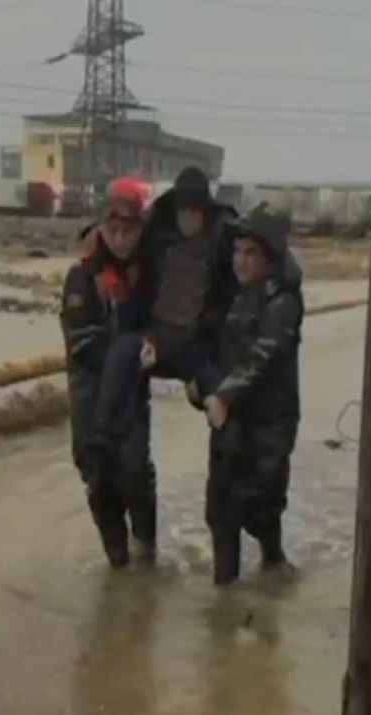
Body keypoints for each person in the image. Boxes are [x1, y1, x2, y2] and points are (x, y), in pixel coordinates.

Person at [92, 166, 239, 444]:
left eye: (194, 212)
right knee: (121, 354)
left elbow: (261, 257)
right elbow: (109, 241)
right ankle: (102, 434)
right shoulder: (158, 225)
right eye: (184, 211)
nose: (188, 219)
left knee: (222, 398)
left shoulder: (224, 233)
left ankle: (231, 458)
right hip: (157, 335)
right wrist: (105, 271)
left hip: (199, 343)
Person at [198, 208, 303, 586]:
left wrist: (224, 396)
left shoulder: (283, 302)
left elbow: (262, 355)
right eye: (237, 251)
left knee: (260, 506)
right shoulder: (234, 296)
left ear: (269, 257)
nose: (240, 261)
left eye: (250, 253)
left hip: (269, 422)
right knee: (220, 509)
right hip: (231, 420)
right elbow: (209, 348)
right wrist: (202, 386)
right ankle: (224, 594)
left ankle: (274, 567)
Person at [60, 176, 158, 568]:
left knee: (134, 472)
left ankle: (147, 551)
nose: (120, 238)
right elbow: (81, 343)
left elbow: (165, 321)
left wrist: (155, 346)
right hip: (90, 394)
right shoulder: (82, 277)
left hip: (132, 395)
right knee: (98, 476)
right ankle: (117, 559)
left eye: (128, 229)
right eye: (112, 228)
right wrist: (129, 349)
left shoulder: (148, 274)